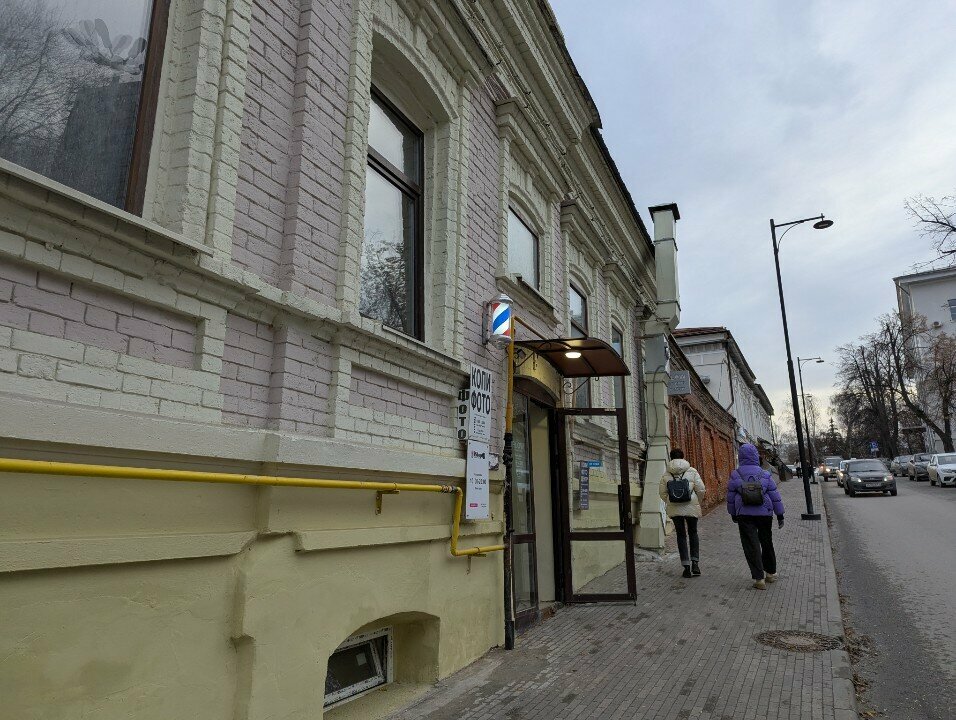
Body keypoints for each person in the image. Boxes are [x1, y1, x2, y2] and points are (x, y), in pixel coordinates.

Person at [727, 443, 785, 589]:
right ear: (755, 457)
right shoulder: (765, 474)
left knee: (751, 545)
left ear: (741, 457)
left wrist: (733, 513)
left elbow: (731, 497)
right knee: (766, 542)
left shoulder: (735, 474)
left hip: (744, 514)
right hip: (764, 513)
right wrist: (780, 514)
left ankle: (759, 579)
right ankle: (771, 573)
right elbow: (775, 496)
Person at [659, 448, 707, 578]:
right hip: (691, 506)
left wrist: (671, 500)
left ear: (671, 458)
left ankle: (686, 567)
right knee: (693, 532)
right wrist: (696, 500)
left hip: (675, 508)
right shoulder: (692, 471)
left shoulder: (666, 474)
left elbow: (662, 493)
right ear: (683, 457)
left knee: (681, 535)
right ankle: (695, 564)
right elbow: (701, 489)